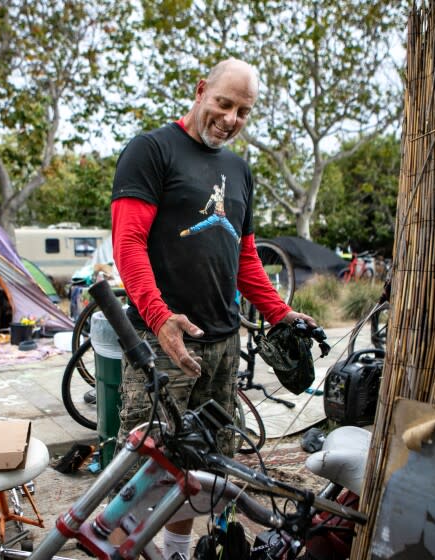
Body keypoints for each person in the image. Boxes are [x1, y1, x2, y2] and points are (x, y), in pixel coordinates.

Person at [111, 57, 315, 560]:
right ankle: (119, 552)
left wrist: (278, 312)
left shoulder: (239, 170)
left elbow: (244, 257)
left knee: (201, 470)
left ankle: (177, 552)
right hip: (164, 347)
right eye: (224, 103)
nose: (230, 118)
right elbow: (128, 243)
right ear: (201, 90)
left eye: (243, 110)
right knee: (141, 470)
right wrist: (159, 319)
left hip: (222, 347)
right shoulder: (151, 151)